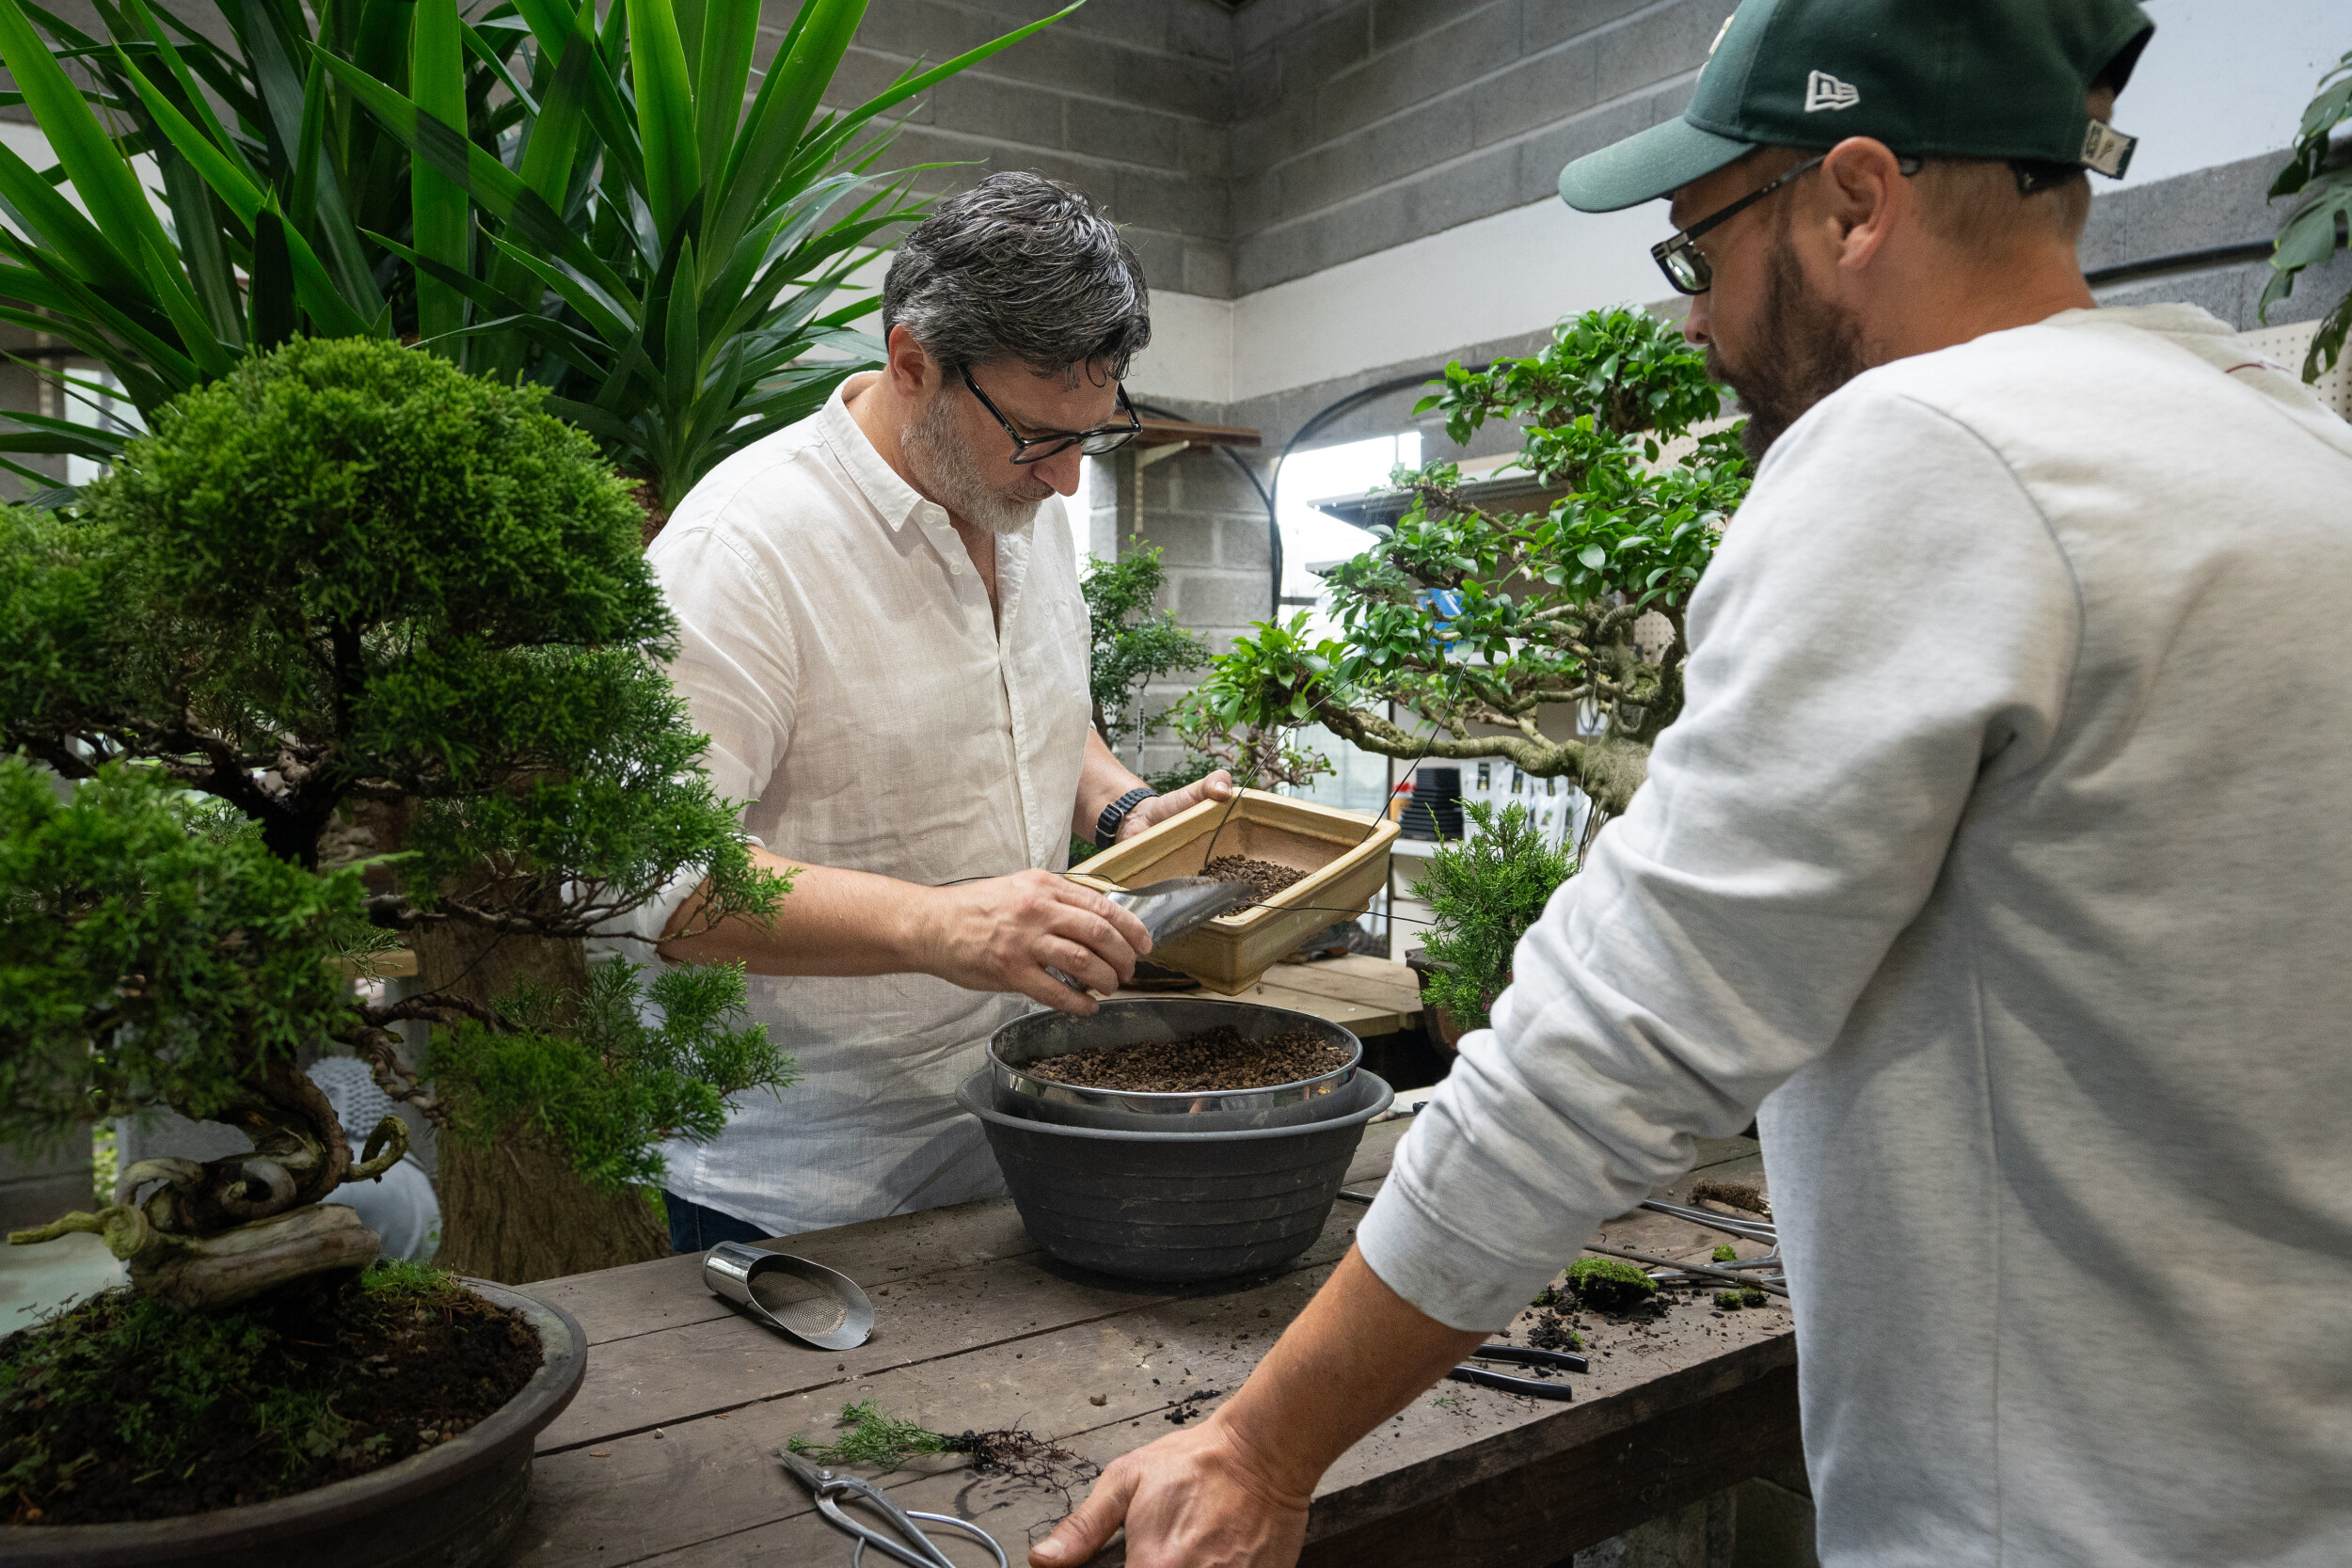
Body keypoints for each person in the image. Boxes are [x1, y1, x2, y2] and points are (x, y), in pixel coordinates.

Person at [1028, 1, 2352, 1564]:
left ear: (1854, 201)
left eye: (1699, 253)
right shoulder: (2287, 449)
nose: (1695, 321)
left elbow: (1615, 1034)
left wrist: (1261, 1444)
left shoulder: (1930, 449)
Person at [623, 173, 1235, 1251]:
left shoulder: (1015, 499)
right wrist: (940, 923)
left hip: (1012, 1117)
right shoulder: (742, 550)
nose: (1065, 484)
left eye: (1091, 436)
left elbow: (1034, 701)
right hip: (804, 1185)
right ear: (913, 364)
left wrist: (1123, 806)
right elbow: (653, 882)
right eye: (1042, 438)